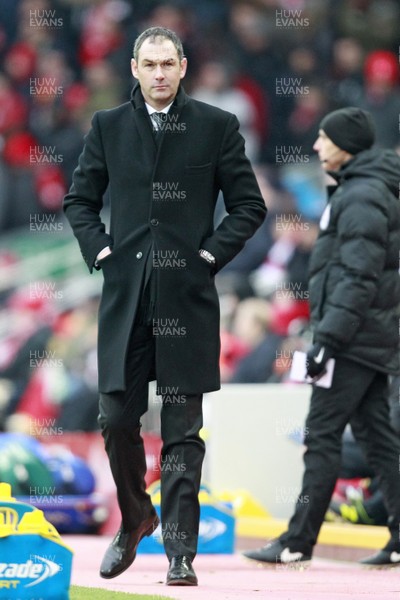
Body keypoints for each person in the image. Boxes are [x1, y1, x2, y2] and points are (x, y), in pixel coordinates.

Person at [64, 26, 266, 586]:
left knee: (182, 433)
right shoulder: (107, 126)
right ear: (133, 67)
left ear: (182, 67)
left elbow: (249, 205)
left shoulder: (216, 126)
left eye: (167, 64)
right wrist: (101, 252)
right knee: (114, 419)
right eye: (148, 64)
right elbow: (79, 199)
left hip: (188, 300)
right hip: (125, 298)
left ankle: (181, 552)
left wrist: (208, 256)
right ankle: (136, 520)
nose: (157, 74)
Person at [243, 107, 400, 568]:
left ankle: (297, 541)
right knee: (379, 440)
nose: (315, 145)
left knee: (322, 435)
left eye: (324, 138)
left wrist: (327, 340)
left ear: (345, 143)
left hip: (353, 340)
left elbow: (356, 277)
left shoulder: (362, 195)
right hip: (369, 337)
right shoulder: (366, 189)